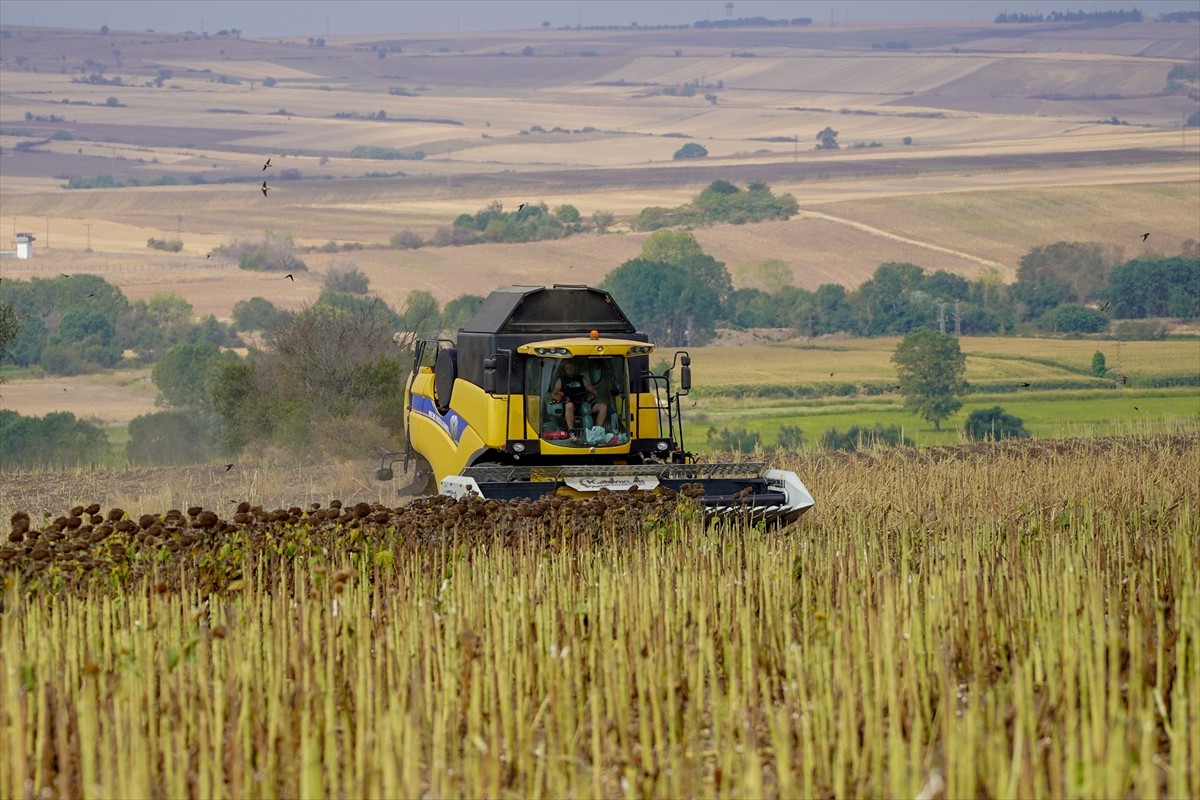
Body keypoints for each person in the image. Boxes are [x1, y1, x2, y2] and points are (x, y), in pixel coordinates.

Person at [551, 359, 607, 431]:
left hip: (584, 402)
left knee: (603, 407)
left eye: (572, 368)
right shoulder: (561, 380)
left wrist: (591, 395)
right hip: (570, 403)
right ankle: (571, 430)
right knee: (569, 405)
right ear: (565, 369)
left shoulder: (581, 378)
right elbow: (553, 394)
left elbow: (594, 391)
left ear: (575, 368)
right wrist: (556, 397)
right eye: (568, 368)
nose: (570, 370)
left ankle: (597, 429)